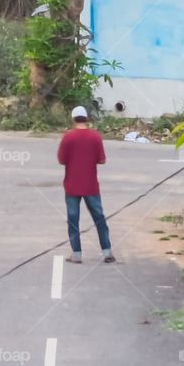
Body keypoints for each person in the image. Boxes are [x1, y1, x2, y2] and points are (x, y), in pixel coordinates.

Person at [57, 105, 116, 265]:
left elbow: (61, 160)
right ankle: (107, 251)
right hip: (91, 185)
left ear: (73, 119)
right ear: (87, 118)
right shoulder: (95, 137)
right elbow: (101, 160)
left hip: (72, 185)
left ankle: (76, 254)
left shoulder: (68, 137)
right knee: (99, 218)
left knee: (73, 219)